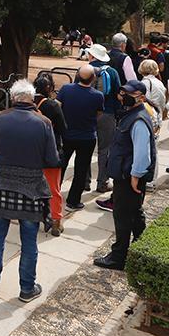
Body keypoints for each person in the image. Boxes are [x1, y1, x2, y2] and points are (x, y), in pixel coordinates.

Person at [0, 80, 59, 302]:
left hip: (4, 184)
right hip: (32, 188)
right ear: (32, 98)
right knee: (29, 241)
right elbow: (52, 159)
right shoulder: (44, 122)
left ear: (13, 98)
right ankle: (26, 288)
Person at [93, 80, 157, 270]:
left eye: (129, 93)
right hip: (126, 174)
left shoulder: (137, 119)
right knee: (134, 213)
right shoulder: (132, 115)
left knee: (122, 216)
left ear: (141, 97)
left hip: (128, 177)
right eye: (123, 92)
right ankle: (140, 247)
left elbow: (142, 152)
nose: (123, 96)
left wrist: (136, 175)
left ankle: (118, 257)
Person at [57, 65, 102, 211]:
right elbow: (99, 114)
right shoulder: (97, 95)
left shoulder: (66, 89)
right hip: (87, 136)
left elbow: (58, 107)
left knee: (61, 166)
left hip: (67, 134)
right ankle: (73, 200)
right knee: (81, 169)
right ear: (93, 78)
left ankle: (53, 193)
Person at [86, 44, 121, 194]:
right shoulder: (112, 72)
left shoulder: (85, 70)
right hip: (107, 113)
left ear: (92, 56)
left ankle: (83, 181)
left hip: (87, 114)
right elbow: (118, 93)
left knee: (85, 149)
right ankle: (102, 182)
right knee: (104, 149)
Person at [33, 75, 66, 235]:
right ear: (51, 88)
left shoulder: (27, 104)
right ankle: (55, 221)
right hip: (51, 152)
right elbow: (62, 129)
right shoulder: (53, 106)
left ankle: (32, 215)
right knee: (53, 189)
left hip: (32, 152)